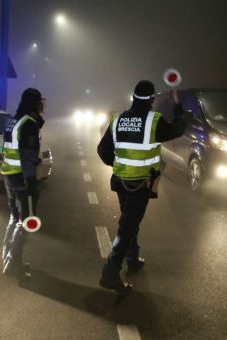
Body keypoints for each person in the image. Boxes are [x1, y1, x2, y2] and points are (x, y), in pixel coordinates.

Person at [97, 80, 186, 295]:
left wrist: (117, 165)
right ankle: (110, 272)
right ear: (151, 100)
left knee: (129, 220)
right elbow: (177, 128)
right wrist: (178, 109)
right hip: (140, 184)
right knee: (127, 226)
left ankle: (132, 258)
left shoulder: (117, 119)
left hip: (121, 181)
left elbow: (103, 150)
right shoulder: (153, 121)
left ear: (133, 98)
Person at [0, 88, 45, 278]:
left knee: (14, 217)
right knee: (26, 221)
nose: (42, 106)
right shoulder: (29, 124)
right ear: (34, 104)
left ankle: (7, 257)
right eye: (40, 102)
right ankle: (13, 262)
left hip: (9, 175)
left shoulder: (13, 120)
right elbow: (27, 156)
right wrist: (31, 182)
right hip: (22, 178)